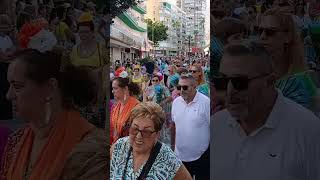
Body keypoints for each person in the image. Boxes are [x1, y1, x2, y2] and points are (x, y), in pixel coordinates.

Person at [211, 40, 320, 180]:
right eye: (223, 81)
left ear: (270, 82)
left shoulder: (308, 131)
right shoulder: (214, 126)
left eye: (240, 82)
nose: (230, 91)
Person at [0, 49, 108, 180]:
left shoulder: (91, 150)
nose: (9, 95)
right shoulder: (15, 141)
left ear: (50, 88)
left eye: (17, 86)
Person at [110, 102, 192, 180]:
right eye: (135, 129)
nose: (139, 136)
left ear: (157, 134)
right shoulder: (119, 147)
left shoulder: (168, 160)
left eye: (146, 132)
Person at [259, 7, 318, 109]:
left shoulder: (298, 82)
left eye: (270, 32)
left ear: (287, 37)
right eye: (259, 30)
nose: (262, 36)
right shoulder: (258, 73)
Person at [172, 75, 210, 179]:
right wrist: (172, 147)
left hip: (202, 158)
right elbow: (174, 125)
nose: (181, 90)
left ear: (194, 86)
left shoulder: (206, 103)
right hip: (180, 158)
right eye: (179, 87)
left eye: (185, 87)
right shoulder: (176, 102)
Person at [111, 77, 140, 145]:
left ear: (125, 89)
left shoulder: (137, 107)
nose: (112, 91)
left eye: (115, 88)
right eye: (112, 88)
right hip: (117, 147)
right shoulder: (115, 107)